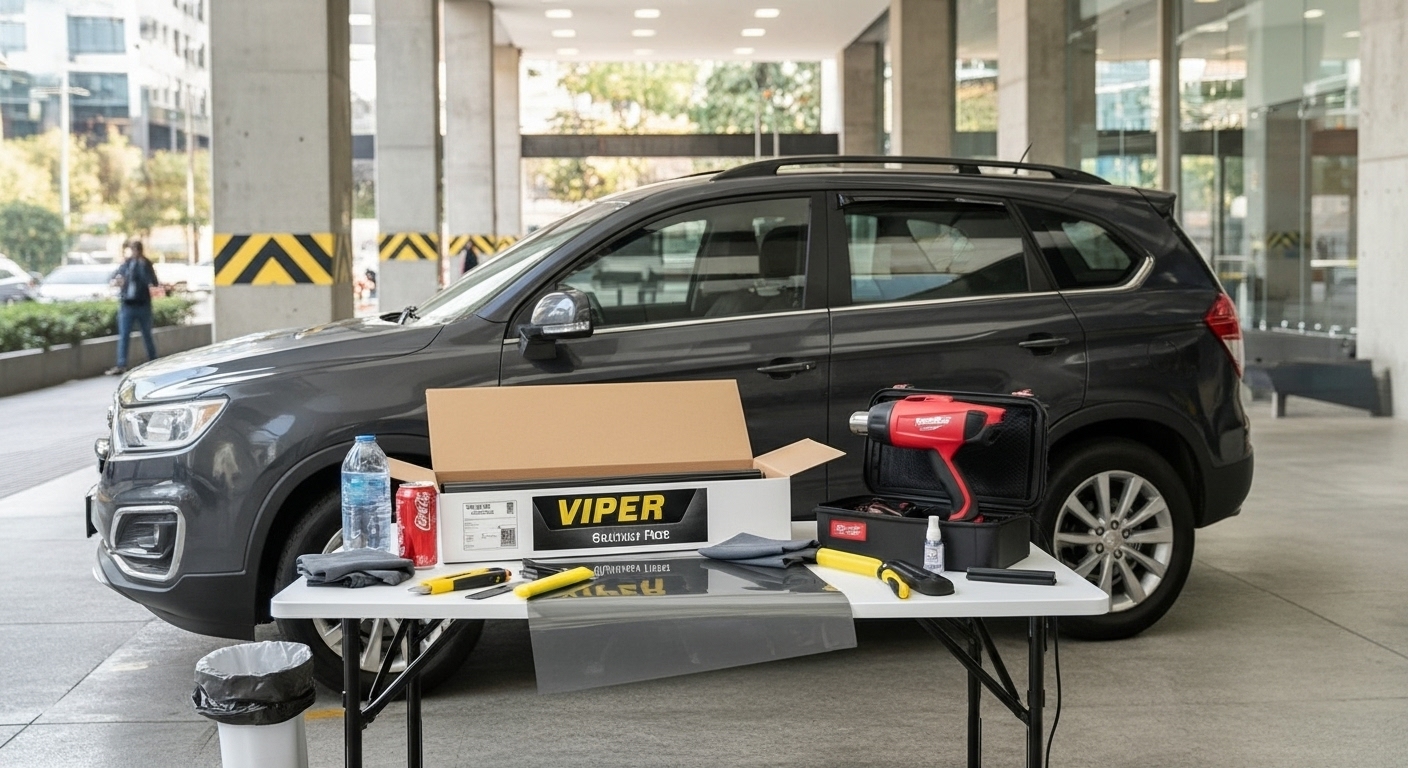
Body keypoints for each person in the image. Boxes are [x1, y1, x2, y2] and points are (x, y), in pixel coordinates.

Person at [106, 240, 159, 376]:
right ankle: (121, 364)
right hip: (127, 304)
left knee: (147, 334)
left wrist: (142, 267)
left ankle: (154, 361)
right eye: (132, 249)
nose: (134, 252)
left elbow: (153, 281)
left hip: (142, 304)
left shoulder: (146, 263)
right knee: (124, 335)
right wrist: (118, 281)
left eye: (136, 249)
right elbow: (114, 277)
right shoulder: (126, 264)